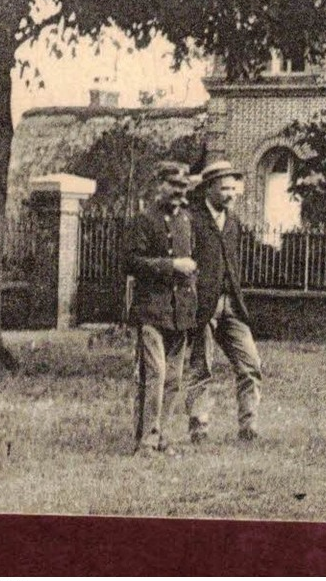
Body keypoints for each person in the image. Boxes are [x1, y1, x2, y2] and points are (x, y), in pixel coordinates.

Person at [186, 159, 264, 444]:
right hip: (202, 306)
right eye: (225, 189)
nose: (231, 194)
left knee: (250, 363)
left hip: (232, 305)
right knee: (201, 367)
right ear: (208, 189)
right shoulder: (191, 220)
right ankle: (199, 426)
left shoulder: (233, 223)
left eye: (234, 189)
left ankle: (249, 426)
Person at [124, 161, 199, 455]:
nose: (181, 194)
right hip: (152, 311)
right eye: (175, 187)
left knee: (174, 379)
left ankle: (163, 435)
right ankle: (146, 440)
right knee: (154, 375)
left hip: (179, 313)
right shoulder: (144, 220)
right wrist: (172, 266)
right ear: (160, 186)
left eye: (184, 188)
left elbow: (192, 260)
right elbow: (131, 262)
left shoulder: (186, 221)